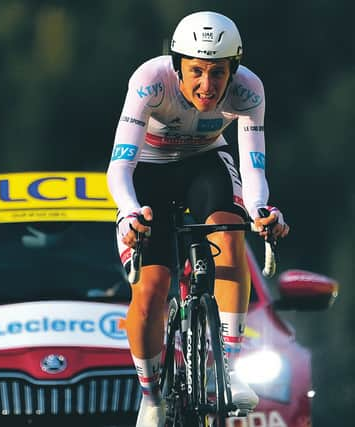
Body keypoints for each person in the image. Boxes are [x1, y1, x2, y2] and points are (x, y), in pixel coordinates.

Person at [106, 11, 290, 426]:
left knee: (230, 234)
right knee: (151, 290)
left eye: (218, 73)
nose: (207, 86)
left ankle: (227, 366)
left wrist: (263, 212)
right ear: (177, 67)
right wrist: (129, 214)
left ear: (234, 70)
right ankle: (151, 396)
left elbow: (254, 169)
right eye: (196, 72)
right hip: (147, 170)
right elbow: (120, 168)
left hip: (204, 163)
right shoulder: (149, 80)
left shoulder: (249, 91)